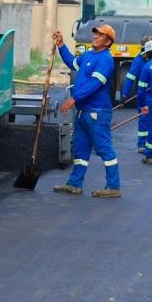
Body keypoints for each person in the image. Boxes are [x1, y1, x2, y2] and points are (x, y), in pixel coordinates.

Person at [52, 24, 121, 198]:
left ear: (107, 42)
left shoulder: (106, 59)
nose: (95, 37)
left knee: (104, 149)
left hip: (97, 112)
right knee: (81, 150)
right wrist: (61, 45)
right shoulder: (88, 55)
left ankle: (113, 186)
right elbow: (72, 62)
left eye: (100, 35)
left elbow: (94, 85)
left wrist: (73, 99)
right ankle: (75, 184)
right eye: (95, 34)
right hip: (84, 112)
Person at [120, 35, 152, 153]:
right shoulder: (139, 60)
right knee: (144, 118)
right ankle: (142, 144)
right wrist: (125, 94)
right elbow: (130, 78)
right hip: (144, 94)